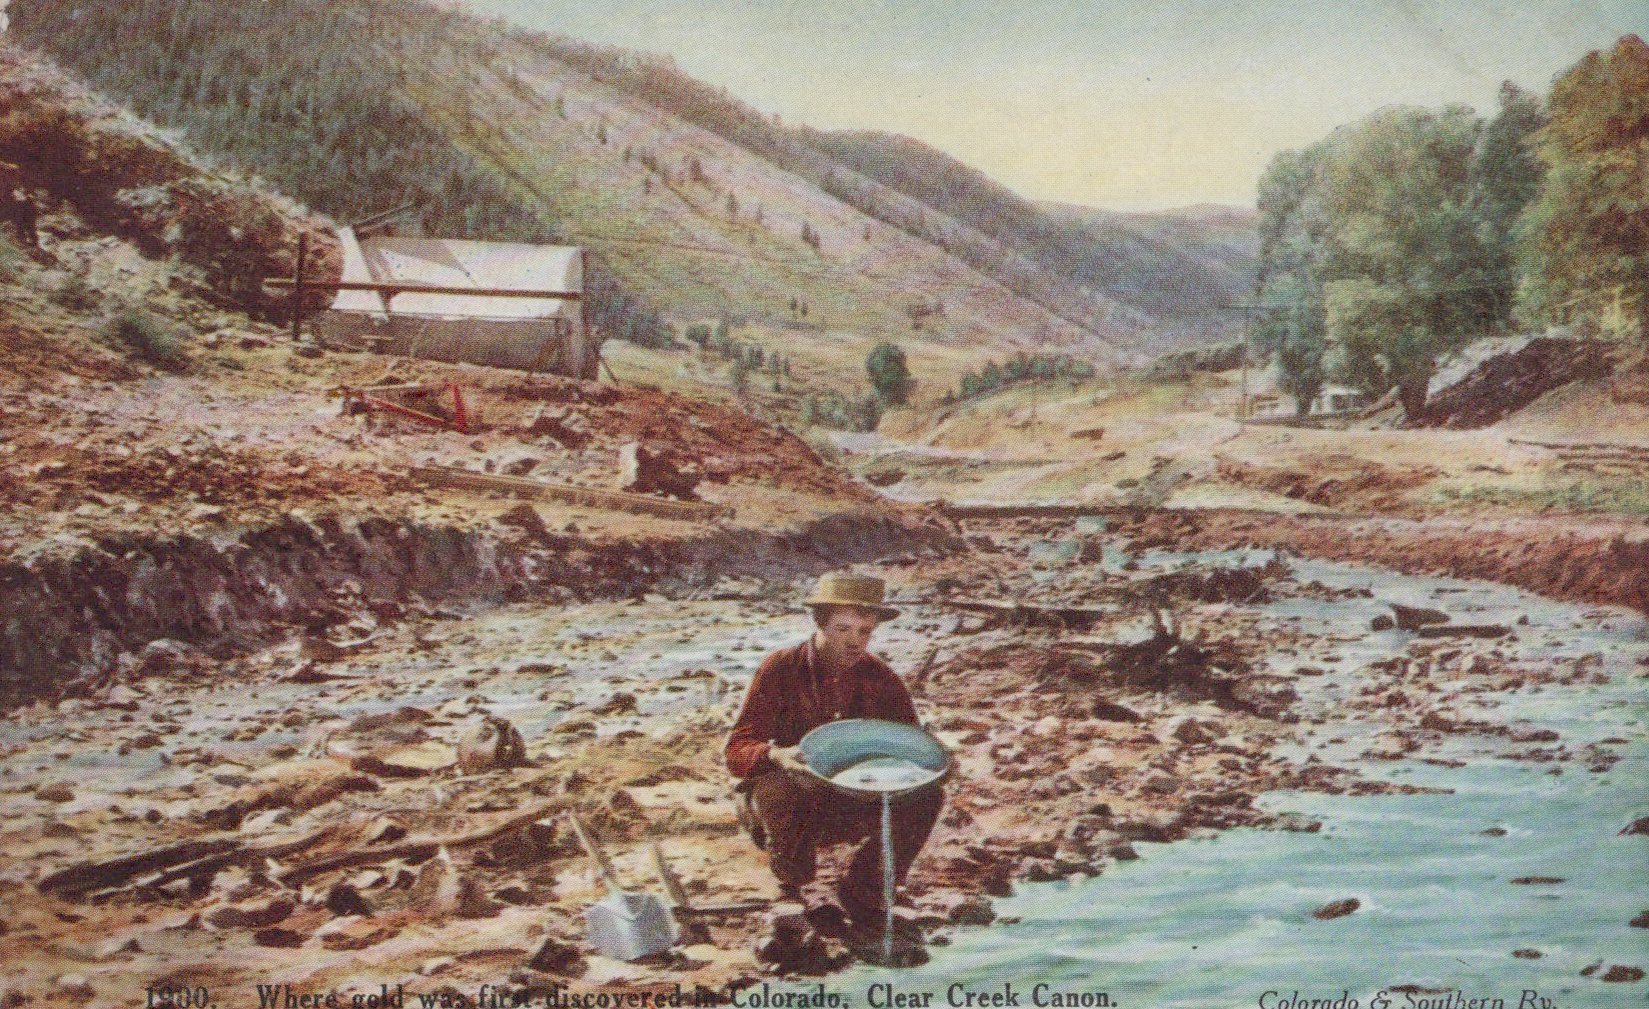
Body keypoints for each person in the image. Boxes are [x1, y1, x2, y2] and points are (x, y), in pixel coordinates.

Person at [725, 572, 943, 927]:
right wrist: (777, 755)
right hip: (792, 807)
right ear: (820, 623)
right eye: (843, 629)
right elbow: (737, 750)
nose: (855, 642)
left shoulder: (881, 678)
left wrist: (937, 761)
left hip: (857, 801)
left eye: (865, 632)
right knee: (777, 784)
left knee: (928, 795)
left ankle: (867, 888)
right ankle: (793, 888)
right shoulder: (781, 668)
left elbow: (911, 748)